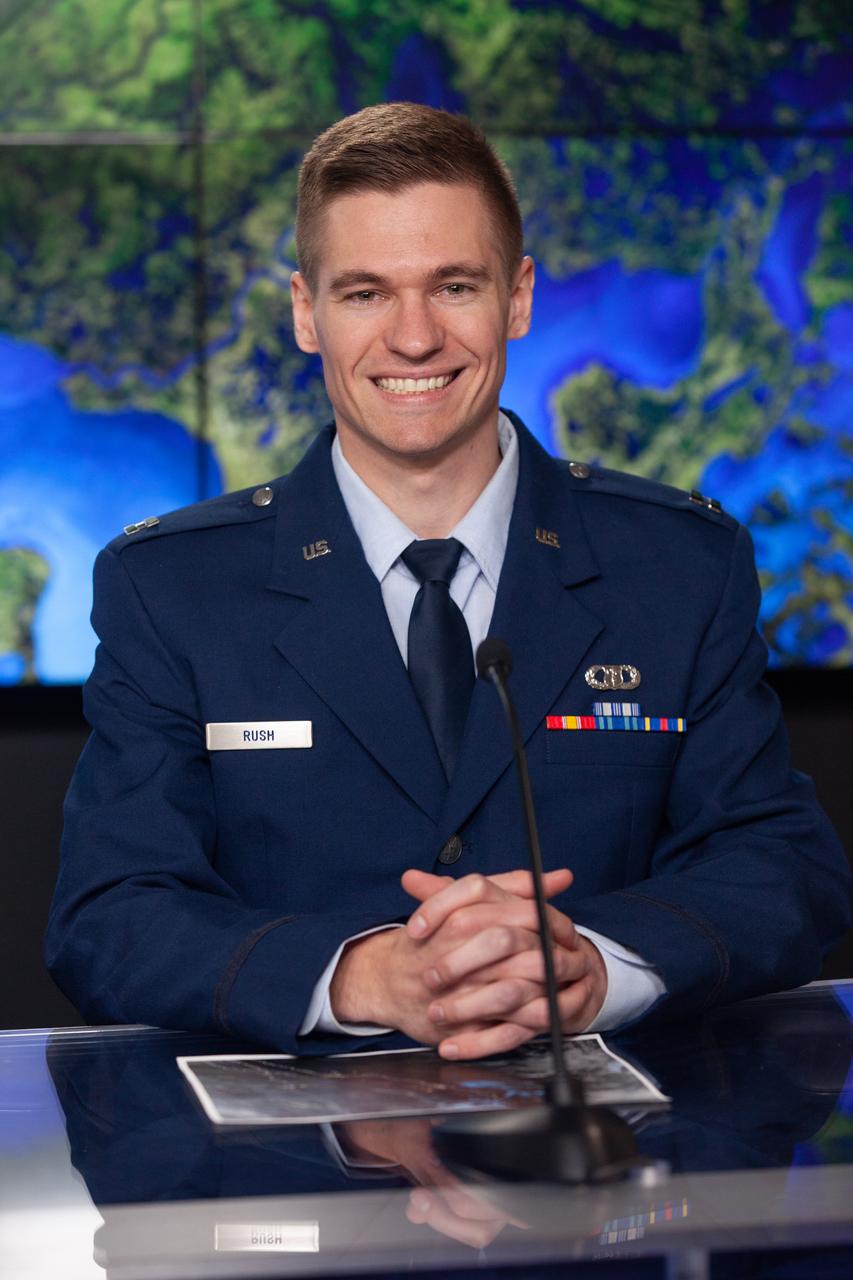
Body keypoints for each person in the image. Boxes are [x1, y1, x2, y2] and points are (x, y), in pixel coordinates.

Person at [46, 103, 851, 1059]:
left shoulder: (679, 565)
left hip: (610, 1165)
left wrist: (593, 964)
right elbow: (110, 913)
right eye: (364, 294)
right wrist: (362, 975)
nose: (415, 338)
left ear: (516, 298)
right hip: (289, 1181)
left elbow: (780, 866)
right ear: (306, 313)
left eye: (454, 286)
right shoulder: (171, 587)